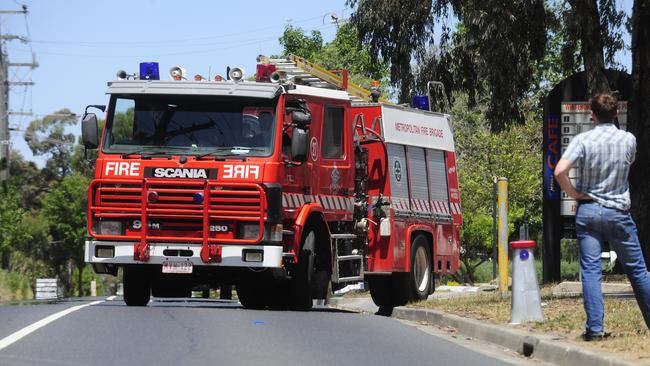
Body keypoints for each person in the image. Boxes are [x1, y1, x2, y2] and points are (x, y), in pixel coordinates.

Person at [554, 92, 650, 340]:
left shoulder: (583, 139)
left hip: (588, 211)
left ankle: (595, 329)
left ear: (592, 115)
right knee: (638, 271)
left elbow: (560, 171)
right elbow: (629, 163)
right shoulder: (628, 139)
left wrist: (574, 193)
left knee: (591, 271)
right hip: (618, 212)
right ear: (616, 113)